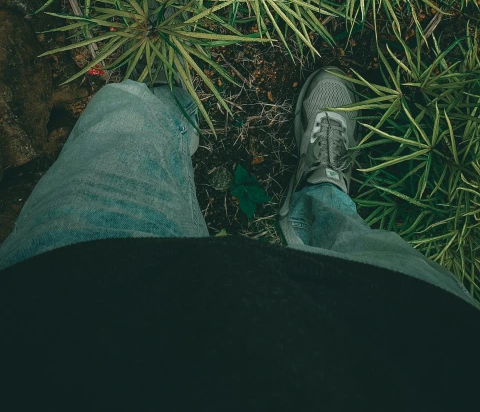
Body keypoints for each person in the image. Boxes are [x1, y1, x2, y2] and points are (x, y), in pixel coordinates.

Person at [0, 67, 478, 411]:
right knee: (355, 242)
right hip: (405, 334)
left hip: (75, 300)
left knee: (124, 116)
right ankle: (322, 194)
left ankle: (167, 116)